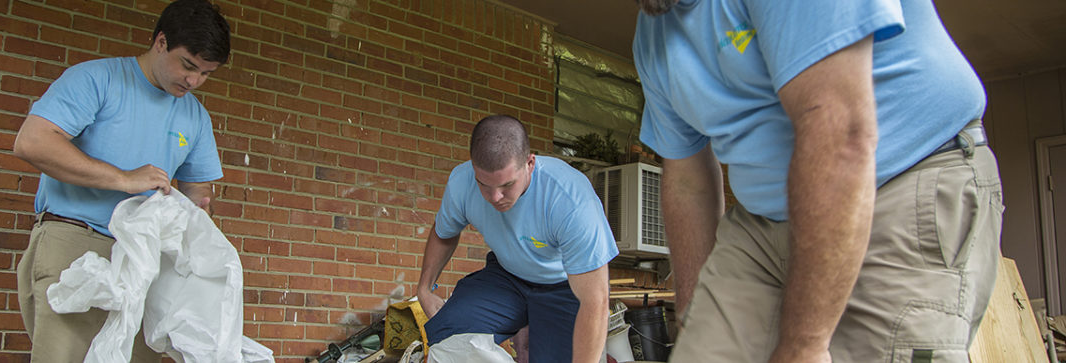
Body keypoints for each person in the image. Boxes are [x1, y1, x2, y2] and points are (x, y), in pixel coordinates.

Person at [632, 0, 1003, 362]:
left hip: (894, 182)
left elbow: (841, 134)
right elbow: (687, 181)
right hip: (762, 221)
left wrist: (804, 346)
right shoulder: (652, 36)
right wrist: (693, 318)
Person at [12, 0, 229, 361]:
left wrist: (197, 210)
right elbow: (32, 141)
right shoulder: (97, 78)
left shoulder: (196, 116)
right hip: (75, 242)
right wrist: (123, 179)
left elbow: (197, 188)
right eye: (188, 65)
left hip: (145, 257)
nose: (193, 81)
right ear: (160, 42)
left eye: (206, 73)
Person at [416, 115, 619, 363]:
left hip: (564, 286)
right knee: (447, 331)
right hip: (507, 276)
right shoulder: (462, 182)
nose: (495, 197)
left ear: (530, 163)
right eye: (484, 185)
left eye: (506, 185)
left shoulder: (570, 201)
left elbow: (595, 302)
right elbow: (443, 233)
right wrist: (425, 288)